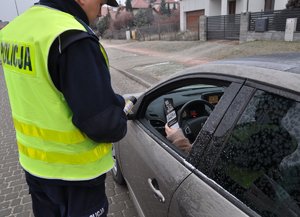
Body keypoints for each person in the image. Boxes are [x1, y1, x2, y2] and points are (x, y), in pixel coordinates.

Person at [0, 0, 127, 216]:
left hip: (36, 169)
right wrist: (120, 113)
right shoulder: (71, 37)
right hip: (77, 177)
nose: (101, 11)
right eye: (100, 2)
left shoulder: (13, 31)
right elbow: (104, 125)